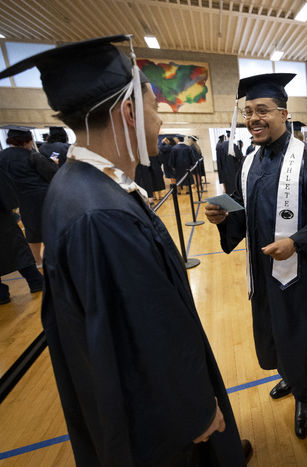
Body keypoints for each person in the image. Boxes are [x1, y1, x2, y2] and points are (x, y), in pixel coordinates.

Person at [0, 35, 250, 466]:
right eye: (155, 109)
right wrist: (198, 411)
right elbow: (147, 333)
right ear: (130, 111)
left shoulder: (81, 186)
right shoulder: (100, 215)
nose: (160, 121)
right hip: (161, 421)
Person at [205, 73, 307, 440]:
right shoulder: (249, 161)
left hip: (298, 271)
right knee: (272, 329)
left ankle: (305, 394)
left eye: (262, 110)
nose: (254, 119)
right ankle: (287, 375)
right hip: (261, 269)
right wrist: (224, 216)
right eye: (249, 112)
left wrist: (296, 242)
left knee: (300, 332)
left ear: (284, 113)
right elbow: (242, 210)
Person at [0, 126, 58, 265]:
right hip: (42, 195)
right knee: (52, 226)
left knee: (32, 230)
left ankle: (37, 260)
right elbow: (51, 174)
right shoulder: (32, 155)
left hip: (21, 198)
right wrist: (54, 164)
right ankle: (56, 258)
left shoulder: (2, 156)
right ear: (27, 140)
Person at [0, 168, 43, 304]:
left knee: (16, 248)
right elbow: (7, 192)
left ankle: (1, 294)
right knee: (17, 249)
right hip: (2, 218)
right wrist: (12, 206)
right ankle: (35, 281)